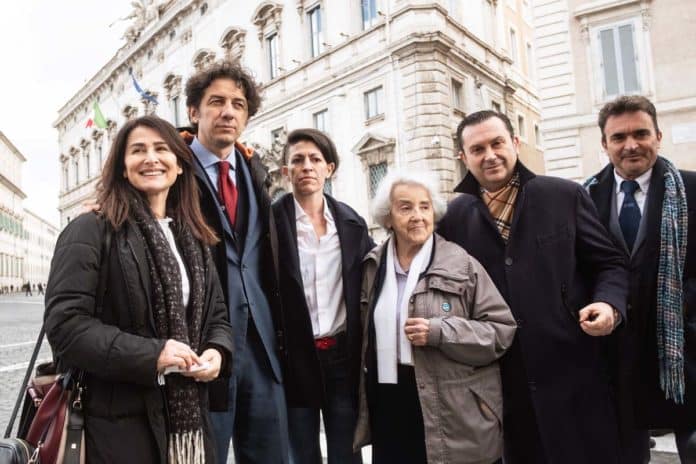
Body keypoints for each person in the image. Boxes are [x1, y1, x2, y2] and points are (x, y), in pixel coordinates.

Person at [437, 110, 629, 464]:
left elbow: (609, 263)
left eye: (497, 143)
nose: (490, 155)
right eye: (477, 149)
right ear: (463, 157)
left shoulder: (564, 195)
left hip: (574, 372)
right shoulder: (452, 219)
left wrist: (608, 304)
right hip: (503, 384)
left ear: (515, 142)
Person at [43, 115, 234, 463]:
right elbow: (65, 327)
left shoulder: (194, 238)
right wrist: (153, 355)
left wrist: (216, 352)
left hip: (190, 424)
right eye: (138, 150)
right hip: (114, 430)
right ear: (122, 166)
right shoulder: (90, 229)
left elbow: (217, 316)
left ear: (179, 165)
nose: (151, 158)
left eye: (161, 149)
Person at [353, 170, 516, 464]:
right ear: (388, 217)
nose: (417, 216)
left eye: (424, 206)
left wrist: (440, 332)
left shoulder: (461, 264)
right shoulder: (373, 266)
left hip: (451, 408)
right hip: (389, 403)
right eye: (406, 207)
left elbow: (501, 330)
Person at [183, 60, 289, 463]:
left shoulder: (254, 169)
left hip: (261, 345)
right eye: (217, 102)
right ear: (194, 111)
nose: (228, 112)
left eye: (238, 104)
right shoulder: (172, 168)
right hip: (202, 346)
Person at [585, 95, 696, 463]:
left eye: (641, 134)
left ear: (658, 137)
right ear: (604, 144)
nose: (630, 145)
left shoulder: (691, 190)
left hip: (683, 350)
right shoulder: (584, 198)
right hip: (615, 353)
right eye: (618, 137)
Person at [273, 129, 373, 464]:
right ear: (286, 171)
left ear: (329, 168)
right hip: (294, 359)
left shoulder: (351, 222)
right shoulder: (270, 223)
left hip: (342, 358)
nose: (307, 166)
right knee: (301, 453)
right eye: (297, 160)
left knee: (347, 453)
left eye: (315, 159)